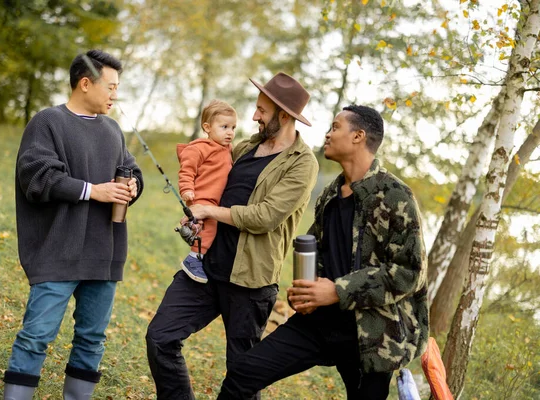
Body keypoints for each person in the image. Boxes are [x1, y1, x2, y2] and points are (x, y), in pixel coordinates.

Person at [217, 105, 429, 400]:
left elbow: (409, 273)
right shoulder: (331, 193)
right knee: (243, 373)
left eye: (335, 127)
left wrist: (338, 291)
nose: (327, 135)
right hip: (318, 324)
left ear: (358, 136)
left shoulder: (395, 195)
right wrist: (307, 290)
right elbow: (317, 247)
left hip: (371, 336)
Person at [145, 72, 319, 399]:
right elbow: (215, 185)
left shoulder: (302, 164)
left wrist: (210, 212)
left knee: (241, 375)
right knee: (160, 337)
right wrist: (198, 209)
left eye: (261, 111)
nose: (253, 116)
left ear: (284, 116)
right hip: (207, 268)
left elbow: (265, 216)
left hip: (250, 283)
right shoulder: (245, 147)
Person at [3, 49, 143, 400]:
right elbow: (36, 176)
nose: (115, 95)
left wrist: (134, 184)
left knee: (92, 339)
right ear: (85, 83)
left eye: (117, 88)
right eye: (110, 87)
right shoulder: (48, 122)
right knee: (36, 336)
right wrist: (92, 191)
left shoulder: (113, 130)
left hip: (103, 254)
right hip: (58, 251)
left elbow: (129, 167)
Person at [177, 99, 236, 283]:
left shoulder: (227, 149)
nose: (230, 132)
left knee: (203, 228)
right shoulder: (200, 148)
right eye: (224, 126)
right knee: (208, 229)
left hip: (216, 201)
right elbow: (187, 170)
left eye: (233, 128)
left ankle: (197, 246)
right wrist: (187, 190)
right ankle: (193, 259)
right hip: (203, 198)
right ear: (207, 127)